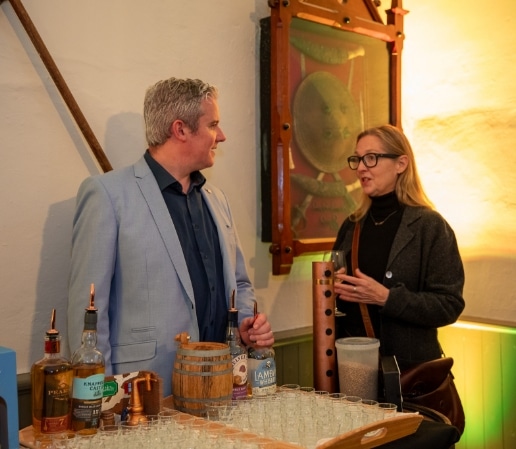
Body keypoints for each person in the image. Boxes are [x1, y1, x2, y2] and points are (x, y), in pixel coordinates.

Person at [67, 77, 274, 396]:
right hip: (142, 394)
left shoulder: (217, 199)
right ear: (180, 129)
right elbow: (89, 308)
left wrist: (246, 323)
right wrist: (98, 401)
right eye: (213, 124)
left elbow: (240, 283)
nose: (221, 136)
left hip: (224, 386)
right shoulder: (107, 195)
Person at [333, 124, 465, 371]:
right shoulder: (351, 226)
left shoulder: (430, 226)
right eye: (357, 159)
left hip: (410, 375)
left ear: (401, 164)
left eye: (371, 158)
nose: (361, 167)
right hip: (354, 371)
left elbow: (449, 305)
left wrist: (386, 298)